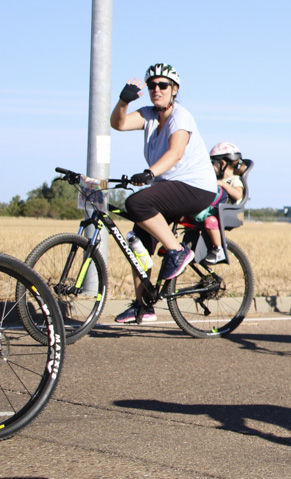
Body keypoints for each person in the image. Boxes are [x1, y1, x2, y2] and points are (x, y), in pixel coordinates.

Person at [110, 63, 219, 323]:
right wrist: (123, 101)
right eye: (151, 86)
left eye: (163, 85)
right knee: (138, 245)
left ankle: (177, 251)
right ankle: (143, 305)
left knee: (136, 203)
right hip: (169, 188)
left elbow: (175, 153)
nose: (156, 90)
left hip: (195, 187)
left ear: (174, 90)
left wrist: (149, 173)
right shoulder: (148, 115)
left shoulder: (181, 117)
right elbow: (119, 123)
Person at [197, 141, 246, 265]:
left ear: (222, 163)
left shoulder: (234, 180)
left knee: (210, 221)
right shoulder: (217, 179)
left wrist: (224, 185)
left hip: (224, 213)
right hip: (213, 209)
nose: (212, 166)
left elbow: (238, 194)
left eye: (213, 163)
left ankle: (218, 249)